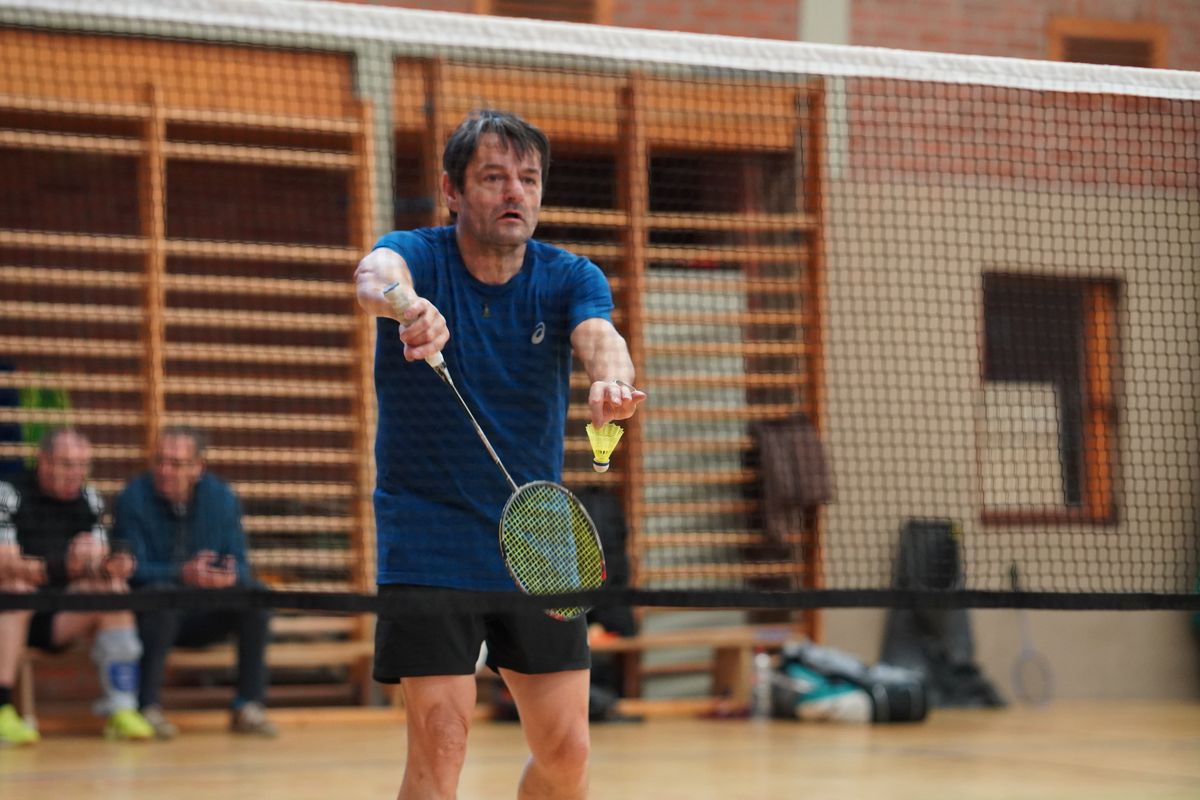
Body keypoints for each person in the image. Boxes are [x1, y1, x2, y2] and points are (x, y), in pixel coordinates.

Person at [355, 109, 646, 800]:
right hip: (429, 534)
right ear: (452, 191)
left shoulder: (567, 276)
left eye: (528, 178)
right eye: (493, 177)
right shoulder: (419, 256)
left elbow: (600, 334)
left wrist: (611, 380)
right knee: (442, 745)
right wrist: (407, 306)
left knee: (567, 752)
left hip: (537, 537)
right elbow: (374, 273)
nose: (515, 191)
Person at [112, 426, 276, 739]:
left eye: (175, 463)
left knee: (257, 596)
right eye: (160, 461)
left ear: (198, 467)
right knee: (161, 598)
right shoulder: (133, 497)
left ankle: (249, 706)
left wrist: (227, 576)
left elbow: (241, 563)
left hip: (207, 611)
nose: (165, 470)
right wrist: (182, 573)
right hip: (153, 616)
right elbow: (130, 571)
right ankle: (147, 707)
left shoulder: (222, 497)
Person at [0, 428, 155, 744]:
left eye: (83, 465)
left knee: (112, 590)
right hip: (11, 612)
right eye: (68, 464)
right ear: (44, 461)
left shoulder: (89, 498)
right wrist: (64, 566)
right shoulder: (9, 493)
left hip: (59, 615)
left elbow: (94, 563)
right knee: (16, 588)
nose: (77, 473)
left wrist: (108, 565)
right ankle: (1, 709)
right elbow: (5, 563)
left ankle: (122, 707)